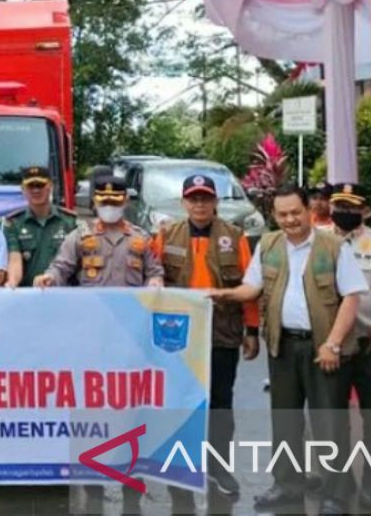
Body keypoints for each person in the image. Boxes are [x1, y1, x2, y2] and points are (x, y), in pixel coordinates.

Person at [211, 184, 367, 515]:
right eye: (282, 214)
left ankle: (335, 493)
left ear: (309, 210)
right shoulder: (268, 244)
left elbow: (352, 297)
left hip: (324, 348)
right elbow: (251, 287)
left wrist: (333, 344)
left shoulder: (335, 246)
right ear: (273, 215)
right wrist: (221, 295)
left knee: (329, 424)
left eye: (295, 212)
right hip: (282, 346)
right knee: (285, 421)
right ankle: (287, 485)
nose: (290, 220)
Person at [35, 175, 162, 514]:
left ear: (125, 202)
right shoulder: (80, 237)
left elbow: (156, 271)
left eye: (115, 201)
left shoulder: (141, 239)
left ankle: (132, 488)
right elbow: (61, 268)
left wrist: (155, 282)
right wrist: (49, 278)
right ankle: (92, 486)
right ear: (94, 203)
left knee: (133, 414)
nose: (109, 206)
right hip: (91, 340)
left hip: (130, 341)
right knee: (91, 412)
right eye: (103, 201)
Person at [151, 174, 258, 511]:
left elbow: (249, 286)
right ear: (184, 202)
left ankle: (219, 467)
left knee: (220, 404)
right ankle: (179, 466)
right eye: (193, 198)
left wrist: (252, 330)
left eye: (206, 198)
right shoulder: (166, 235)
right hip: (177, 338)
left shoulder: (234, 236)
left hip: (223, 333)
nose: (200, 205)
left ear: (215, 202)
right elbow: (151, 281)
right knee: (180, 403)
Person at [328, 183, 371, 512]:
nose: (346, 213)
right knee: (333, 419)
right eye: (340, 206)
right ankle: (339, 487)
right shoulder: (318, 240)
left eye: (353, 208)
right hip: (334, 347)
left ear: (365, 210)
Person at [3, 165, 76, 288]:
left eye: (40, 185)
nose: (36, 190)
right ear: (23, 189)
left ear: (50, 186)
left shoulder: (70, 221)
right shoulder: (14, 223)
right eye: (31, 186)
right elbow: (14, 259)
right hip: (27, 293)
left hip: (63, 293)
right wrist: (12, 283)